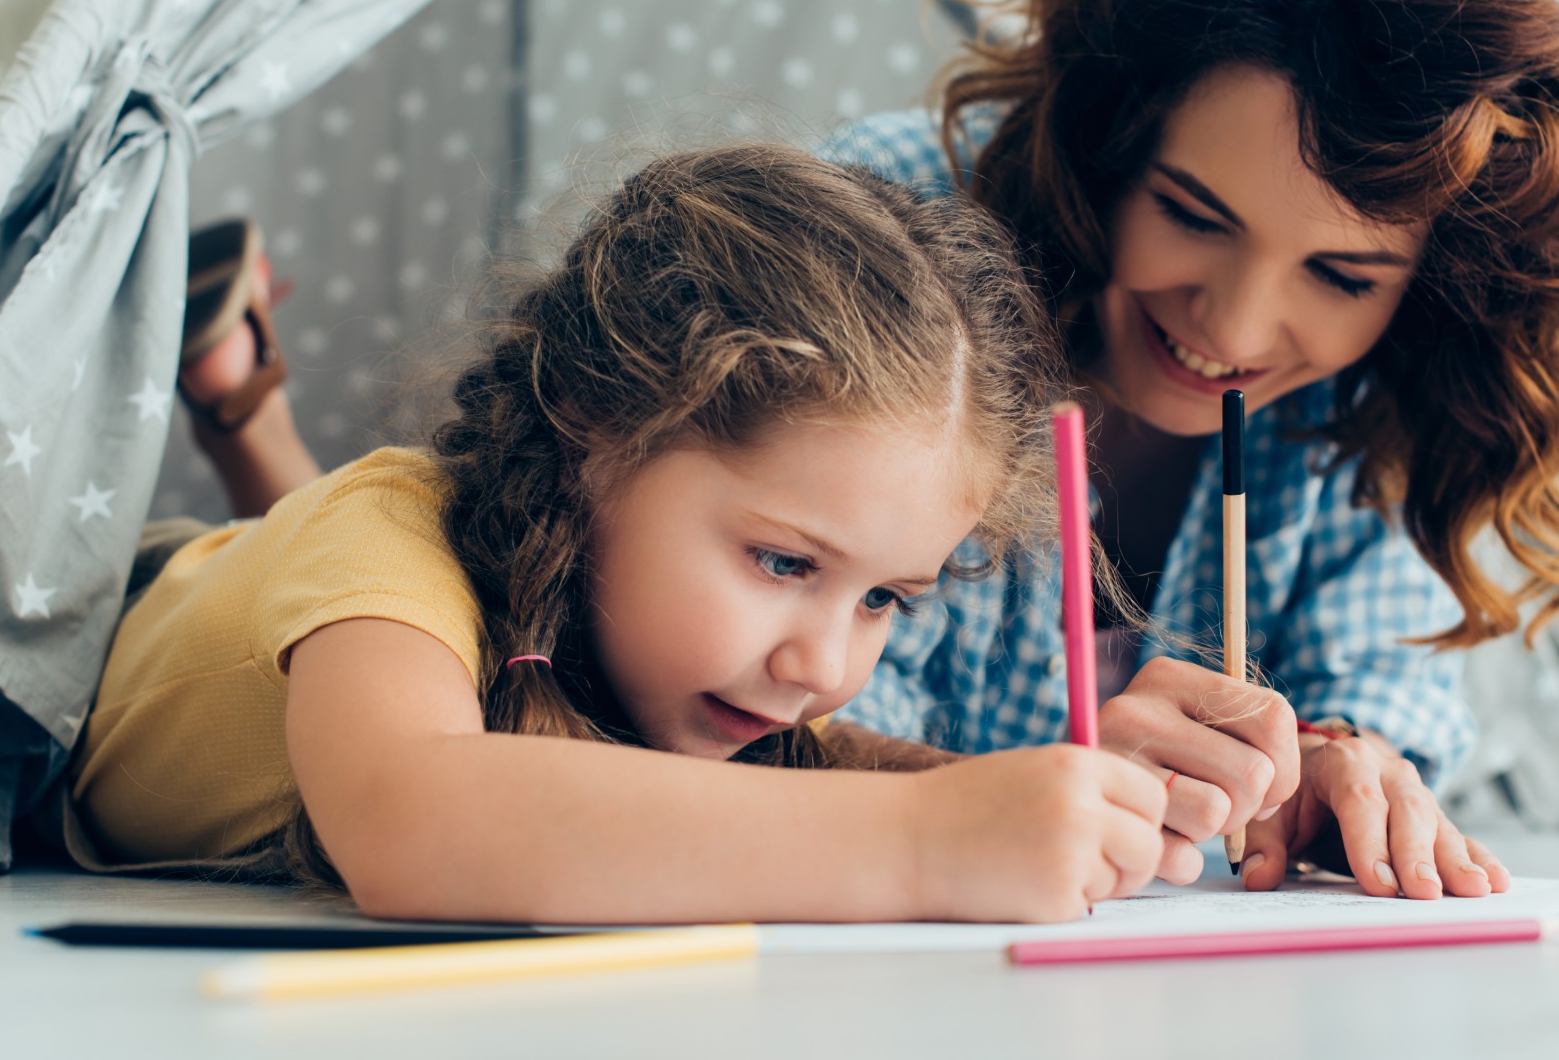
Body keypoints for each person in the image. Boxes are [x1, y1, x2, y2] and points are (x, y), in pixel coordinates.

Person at [59, 143, 1181, 924]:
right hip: (13, 670)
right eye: (784, 563)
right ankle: (241, 406)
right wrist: (932, 841)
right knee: (337, 549)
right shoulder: (387, 528)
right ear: (596, 427)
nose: (826, 665)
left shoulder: (668, 666)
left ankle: (238, 402)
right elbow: (412, 821)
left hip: (271, 601)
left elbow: (814, 778)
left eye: (885, 598)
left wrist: (1063, 813)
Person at [821, 0, 1559, 898]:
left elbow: (1378, 674)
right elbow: (727, 709)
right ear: (1107, 138)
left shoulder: (1384, 387)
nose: (1237, 331)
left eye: (1340, 275)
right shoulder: (888, 229)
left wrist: (1337, 760)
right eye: (1194, 217)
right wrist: (981, 795)